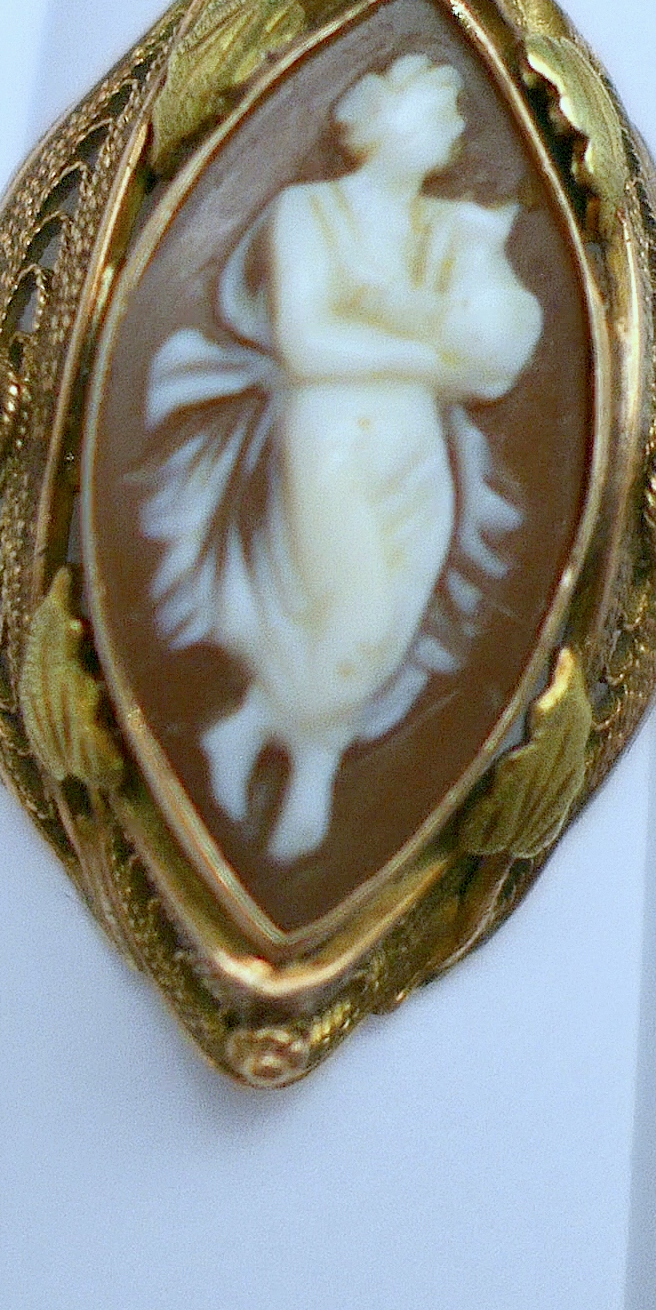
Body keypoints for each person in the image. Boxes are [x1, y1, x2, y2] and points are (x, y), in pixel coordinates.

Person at [141, 53, 544, 861]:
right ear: (387, 122)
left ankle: (260, 740)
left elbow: (498, 350)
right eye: (439, 113)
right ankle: (298, 772)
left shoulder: (451, 228)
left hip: (417, 449)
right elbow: (306, 344)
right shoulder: (306, 210)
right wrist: (433, 356)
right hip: (328, 439)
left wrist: (434, 345)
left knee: (391, 622)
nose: (456, 131)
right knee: (353, 613)